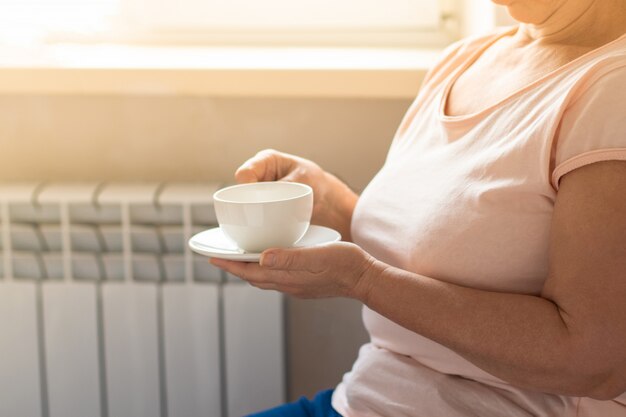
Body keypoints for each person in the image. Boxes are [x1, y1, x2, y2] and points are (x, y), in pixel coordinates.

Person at [209, 0, 626, 415]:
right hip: (361, 400)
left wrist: (362, 280)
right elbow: (452, 255)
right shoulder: (465, 60)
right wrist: (336, 208)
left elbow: (591, 361)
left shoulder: (612, 89)